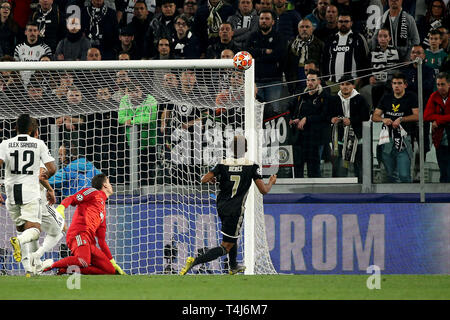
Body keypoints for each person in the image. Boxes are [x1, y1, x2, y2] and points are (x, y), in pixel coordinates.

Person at [180, 135, 277, 275]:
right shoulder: (251, 166)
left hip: (222, 207)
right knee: (226, 246)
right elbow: (264, 190)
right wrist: (271, 182)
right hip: (235, 209)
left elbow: (203, 179)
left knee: (231, 236)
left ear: (231, 148)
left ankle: (233, 266)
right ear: (246, 149)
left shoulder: (223, 163)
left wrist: (213, 178)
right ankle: (194, 261)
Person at [0, 114, 56, 265]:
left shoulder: (5, 144)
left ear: (15, 128)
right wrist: (48, 175)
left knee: (21, 228)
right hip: (30, 192)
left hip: (11, 193)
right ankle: (18, 242)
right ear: (32, 129)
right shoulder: (38, 144)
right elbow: (51, 169)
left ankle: (30, 268)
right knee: (35, 231)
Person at [43, 173, 125, 275]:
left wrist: (113, 262)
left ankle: (65, 270)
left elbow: (102, 241)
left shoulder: (103, 211)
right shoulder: (93, 192)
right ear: (105, 185)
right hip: (79, 233)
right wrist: (61, 208)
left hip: (90, 242)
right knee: (84, 260)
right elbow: (72, 198)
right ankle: (49, 266)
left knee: (109, 270)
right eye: (109, 182)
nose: (111, 185)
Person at [372, 72, 419, 183]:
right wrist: (383, 119)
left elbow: (417, 115)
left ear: (405, 85)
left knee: (403, 175)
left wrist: (401, 119)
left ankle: (409, 198)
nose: (396, 86)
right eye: (394, 83)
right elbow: (375, 116)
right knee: (390, 174)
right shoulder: (386, 97)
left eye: (399, 83)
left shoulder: (411, 97)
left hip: (404, 140)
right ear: (391, 85)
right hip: (387, 139)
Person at [289, 70, 331, 178]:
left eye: (313, 80)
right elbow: (294, 111)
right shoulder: (301, 95)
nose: (310, 83)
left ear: (319, 81)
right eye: (308, 80)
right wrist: (295, 119)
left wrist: (307, 119)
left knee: (314, 168)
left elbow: (324, 116)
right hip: (301, 137)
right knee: (298, 166)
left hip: (315, 137)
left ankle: (315, 193)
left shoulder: (324, 96)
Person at [245, 9, 287, 117]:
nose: (264, 21)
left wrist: (257, 55)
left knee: (272, 113)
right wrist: (264, 51)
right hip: (255, 81)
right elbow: (247, 54)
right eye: (262, 18)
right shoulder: (252, 36)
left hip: (273, 81)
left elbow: (279, 56)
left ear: (273, 22)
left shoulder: (279, 37)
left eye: (267, 18)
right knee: (255, 113)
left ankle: (271, 134)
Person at [330, 75, 371, 183]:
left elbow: (366, 116)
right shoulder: (334, 99)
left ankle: (363, 193)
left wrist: (351, 120)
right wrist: (333, 119)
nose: (345, 87)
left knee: (360, 168)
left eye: (348, 84)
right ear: (339, 86)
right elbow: (328, 114)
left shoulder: (360, 99)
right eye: (342, 84)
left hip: (357, 139)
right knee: (340, 169)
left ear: (353, 85)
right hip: (340, 140)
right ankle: (339, 193)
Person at [322, 13, 369, 92]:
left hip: (353, 83)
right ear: (337, 23)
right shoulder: (330, 39)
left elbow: (366, 60)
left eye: (346, 21)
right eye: (341, 21)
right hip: (332, 83)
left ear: (351, 23)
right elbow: (325, 60)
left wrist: (360, 79)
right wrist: (325, 79)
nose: (343, 24)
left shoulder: (358, 38)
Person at [284, 18, 324, 95]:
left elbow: (323, 64)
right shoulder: (291, 44)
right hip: (296, 81)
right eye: (302, 27)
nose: (304, 29)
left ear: (312, 29)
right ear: (298, 29)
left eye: (307, 27)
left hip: (315, 81)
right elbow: (287, 66)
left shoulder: (319, 44)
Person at [424, 72, 450, 182]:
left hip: (444, 132)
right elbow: (426, 116)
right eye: (438, 84)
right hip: (440, 139)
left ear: (449, 84)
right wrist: (445, 119)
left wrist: (438, 120)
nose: (440, 87)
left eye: (442, 84)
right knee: (443, 169)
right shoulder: (434, 96)